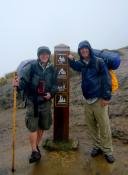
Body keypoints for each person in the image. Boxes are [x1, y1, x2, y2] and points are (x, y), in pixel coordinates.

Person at [68, 40, 115, 163]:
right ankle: (97, 146)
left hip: (99, 99)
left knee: (104, 126)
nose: (84, 50)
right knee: (91, 126)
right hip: (87, 100)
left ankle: (108, 151)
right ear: (80, 51)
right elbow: (75, 66)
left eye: (85, 48)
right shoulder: (82, 63)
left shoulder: (99, 62)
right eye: (81, 49)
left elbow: (106, 80)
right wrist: (71, 60)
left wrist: (106, 97)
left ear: (89, 49)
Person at [13, 46, 57, 163]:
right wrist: (18, 85)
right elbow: (23, 81)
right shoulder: (32, 67)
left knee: (42, 126)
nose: (44, 56)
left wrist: (51, 94)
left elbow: (54, 85)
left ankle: (36, 147)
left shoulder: (52, 69)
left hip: (45, 102)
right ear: (38, 55)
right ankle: (34, 151)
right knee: (33, 126)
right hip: (32, 101)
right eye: (42, 54)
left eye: (46, 54)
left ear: (49, 55)